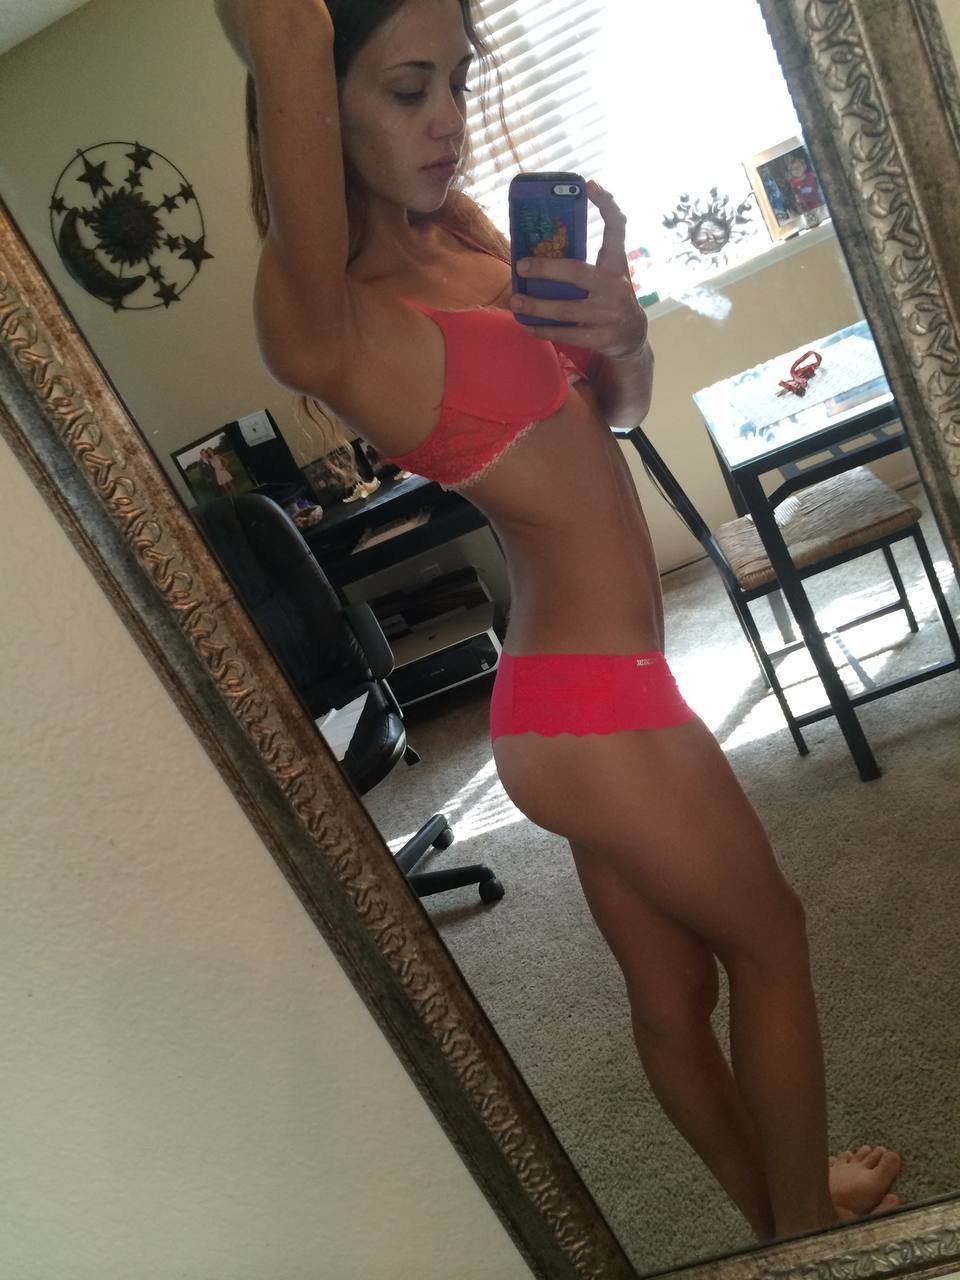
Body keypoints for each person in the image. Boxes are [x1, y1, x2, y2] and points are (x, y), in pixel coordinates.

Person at [214, 0, 902, 1244]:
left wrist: (624, 333)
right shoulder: (343, 320)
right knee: (775, 939)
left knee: (674, 991)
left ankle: (773, 1220)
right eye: (406, 90)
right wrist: (290, 36)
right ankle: (816, 1240)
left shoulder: (472, 239)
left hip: (578, 692)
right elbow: (282, 39)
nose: (447, 121)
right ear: (317, 106)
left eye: (457, 82)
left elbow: (616, 411)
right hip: (594, 706)